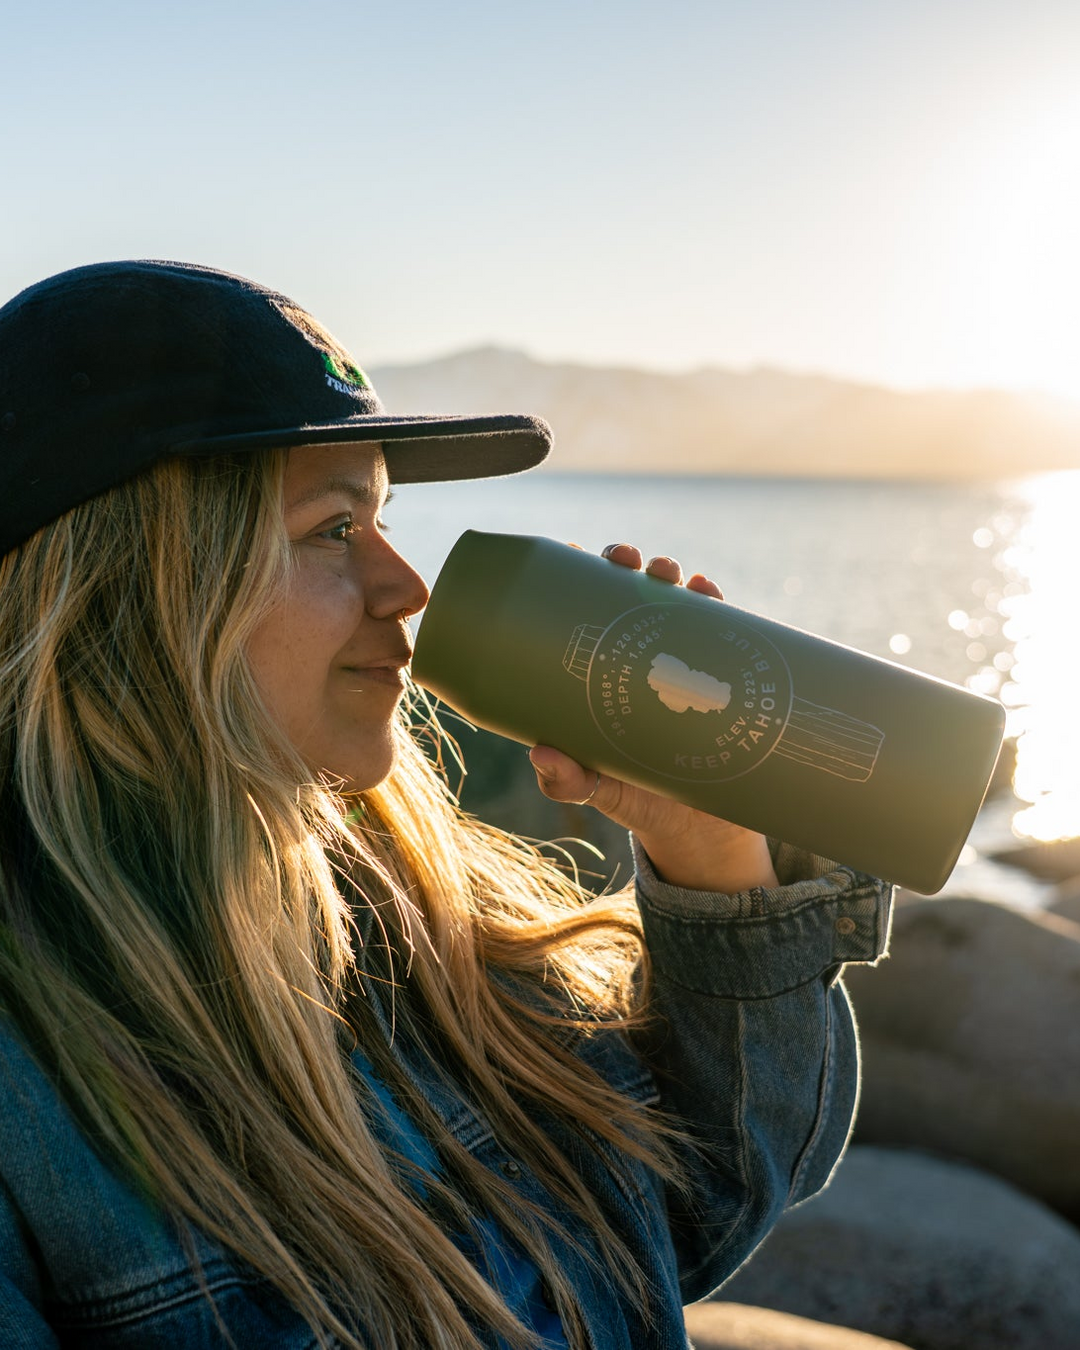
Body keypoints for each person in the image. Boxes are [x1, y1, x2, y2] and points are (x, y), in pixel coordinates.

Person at [0, 260, 891, 1350]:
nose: (406, 585)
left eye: (383, 518)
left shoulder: (403, 919)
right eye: (333, 529)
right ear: (134, 586)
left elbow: (692, 1215)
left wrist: (707, 847)